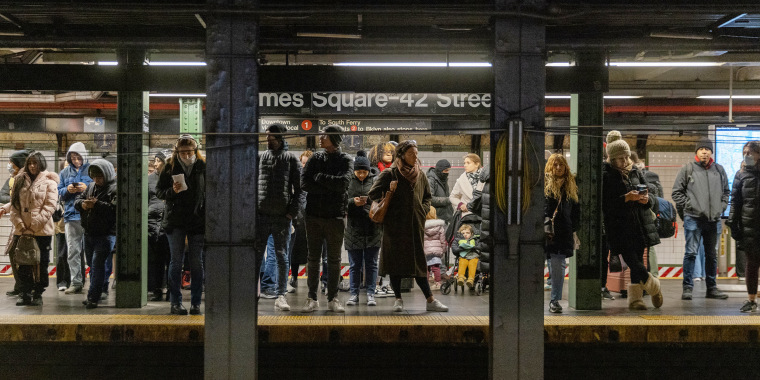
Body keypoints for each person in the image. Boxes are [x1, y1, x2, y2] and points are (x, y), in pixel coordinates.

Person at [368, 140, 448, 312]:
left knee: (418, 264)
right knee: (395, 264)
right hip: (394, 227)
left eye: (416, 153)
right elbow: (372, 194)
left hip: (414, 226)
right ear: (402, 155)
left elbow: (427, 197)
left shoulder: (421, 175)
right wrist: (389, 191)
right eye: (412, 153)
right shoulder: (390, 173)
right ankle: (398, 299)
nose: (415, 156)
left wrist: (422, 210)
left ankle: (430, 300)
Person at [602, 131, 663, 310]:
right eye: (620, 158)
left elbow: (650, 195)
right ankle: (654, 287)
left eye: (626, 157)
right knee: (633, 262)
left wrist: (646, 200)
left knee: (639, 261)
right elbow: (606, 204)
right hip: (619, 227)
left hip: (639, 223)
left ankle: (636, 300)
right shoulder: (607, 175)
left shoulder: (636, 171)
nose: (625, 161)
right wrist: (626, 198)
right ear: (612, 159)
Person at [300, 126, 352, 313]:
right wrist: (330, 187)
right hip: (313, 215)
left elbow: (344, 184)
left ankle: (333, 298)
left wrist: (320, 178)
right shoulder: (315, 158)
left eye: (324, 135)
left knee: (334, 259)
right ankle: (311, 297)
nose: (320, 138)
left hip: (335, 216)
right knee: (313, 259)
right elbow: (304, 182)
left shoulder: (346, 159)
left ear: (334, 138)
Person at [672, 137, 730, 301]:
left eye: (707, 149)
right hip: (694, 219)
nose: (704, 151)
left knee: (712, 255)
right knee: (691, 253)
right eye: (701, 149)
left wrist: (722, 207)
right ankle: (687, 288)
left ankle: (712, 288)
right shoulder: (688, 169)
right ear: (696, 152)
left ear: (711, 152)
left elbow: (726, 192)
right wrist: (690, 206)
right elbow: (676, 193)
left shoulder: (719, 170)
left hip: (714, 220)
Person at [156, 134, 206, 315]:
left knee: (197, 263)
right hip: (175, 221)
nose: (186, 155)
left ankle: (195, 303)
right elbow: (159, 192)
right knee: (175, 263)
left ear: (195, 151)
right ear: (177, 152)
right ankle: (175, 303)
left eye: (189, 152)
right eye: (182, 152)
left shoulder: (203, 166)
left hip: (197, 220)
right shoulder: (169, 167)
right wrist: (172, 191)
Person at [0, 151, 59, 306]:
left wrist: (34, 225)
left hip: (41, 231)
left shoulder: (50, 182)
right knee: (23, 263)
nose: (33, 166)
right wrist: (21, 225)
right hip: (22, 231)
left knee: (41, 263)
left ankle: (38, 293)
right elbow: (14, 206)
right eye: (30, 163)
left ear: (41, 164)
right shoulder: (19, 180)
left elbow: (50, 206)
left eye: (36, 163)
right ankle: (24, 293)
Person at [254, 124, 302, 312]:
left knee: (282, 256)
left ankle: (280, 295)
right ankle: (254, 292)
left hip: (282, 217)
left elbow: (300, 190)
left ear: (281, 137)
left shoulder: (291, 159)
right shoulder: (259, 157)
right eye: (267, 135)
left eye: (272, 136)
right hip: (261, 215)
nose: (268, 139)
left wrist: (291, 212)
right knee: (256, 255)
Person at [74, 159, 117, 309]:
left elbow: (115, 210)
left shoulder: (115, 189)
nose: (97, 180)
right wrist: (83, 204)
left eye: (100, 177)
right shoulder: (91, 186)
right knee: (92, 266)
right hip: (89, 233)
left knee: (98, 265)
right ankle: (94, 293)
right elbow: (78, 200)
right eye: (94, 177)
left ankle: (93, 297)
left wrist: (96, 205)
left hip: (106, 235)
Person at [344, 150, 381, 306]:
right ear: (354, 170)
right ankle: (354, 294)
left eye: (364, 172)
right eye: (358, 172)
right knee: (354, 265)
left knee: (371, 263)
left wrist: (368, 202)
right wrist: (353, 202)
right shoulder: (347, 181)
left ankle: (371, 293)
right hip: (353, 229)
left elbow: (382, 200)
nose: (361, 175)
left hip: (373, 228)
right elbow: (341, 201)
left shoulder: (376, 180)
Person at [543, 153, 580, 314]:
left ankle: (554, 300)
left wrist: (572, 230)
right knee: (549, 264)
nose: (558, 168)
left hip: (562, 233)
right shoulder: (542, 185)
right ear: (550, 166)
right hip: (543, 232)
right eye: (555, 164)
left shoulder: (570, 188)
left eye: (561, 165)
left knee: (558, 266)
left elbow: (576, 212)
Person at [728, 140, 760, 312]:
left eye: (750, 152)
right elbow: (735, 201)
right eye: (744, 153)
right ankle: (751, 300)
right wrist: (733, 223)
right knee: (752, 264)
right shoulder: (740, 175)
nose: (747, 156)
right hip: (749, 225)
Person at [58, 142, 92, 295]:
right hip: (71, 215)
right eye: (73, 157)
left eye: (79, 157)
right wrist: (67, 189)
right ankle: (76, 282)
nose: (76, 160)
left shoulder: (92, 170)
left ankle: (96, 284)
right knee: (73, 251)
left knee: (91, 251)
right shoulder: (64, 173)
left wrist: (87, 188)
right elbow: (59, 192)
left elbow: (100, 187)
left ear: (84, 156)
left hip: (90, 216)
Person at [2, 149, 31, 297]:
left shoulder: (25, 179)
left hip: (26, 224)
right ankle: (20, 285)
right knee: (14, 253)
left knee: (23, 255)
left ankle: (27, 288)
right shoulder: (15, 178)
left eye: (11, 163)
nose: (9, 166)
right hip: (17, 222)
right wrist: (6, 207)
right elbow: (12, 199)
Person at [632, 152, 663, 279]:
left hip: (644, 214)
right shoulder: (650, 175)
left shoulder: (638, 175)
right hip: (651, 215)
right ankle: (652, 277)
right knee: (648, 247)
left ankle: (648, 278)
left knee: (644, 247)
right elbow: (659, 198)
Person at [147, 150, 171, 301]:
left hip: (168, 221)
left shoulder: (173, 176)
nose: (155, 164)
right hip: (152, 223)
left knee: (170, 258)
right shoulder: (149, 179)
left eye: (158, 161)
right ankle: (156, 289)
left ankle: (170, 289)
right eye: (155, 161)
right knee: (155, 259)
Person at [288, 150, 312, 292]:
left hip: (310, 216)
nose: (305, 166)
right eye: (303, 163)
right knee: (295, 250)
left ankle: (312, 279)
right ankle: (294, 276)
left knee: (313, 251)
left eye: (307, 163)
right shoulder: (295, 176)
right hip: (298, 218)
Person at [424, 207, 446, 290]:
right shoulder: (439, 226)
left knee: (426, 268)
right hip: (436, 250)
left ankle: (426, 284)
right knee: (436, 267)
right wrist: (443, 250)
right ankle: (438, 283)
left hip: (425, 250)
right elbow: (443, 240)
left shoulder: (422, 225)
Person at [453, 224, 480, 290]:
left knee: (472, 265)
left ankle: (471, 279)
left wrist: (474, 247)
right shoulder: (457, 240)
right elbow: (454, 249)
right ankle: (461, 278)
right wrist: (462, 248)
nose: (465, 234)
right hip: (463, 256)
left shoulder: (475, 239)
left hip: (473, 256)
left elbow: (480, 247)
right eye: (463, 233)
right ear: (460, 234)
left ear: (472, 233)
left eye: (467, 233)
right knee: (462, 263)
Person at [427, 159, 454, 225]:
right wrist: (449, 200)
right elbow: (430, 199)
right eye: (446, 170)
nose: (447, 173)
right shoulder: (430, 181)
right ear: (440, 170)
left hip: (447, 217)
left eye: (448, 170)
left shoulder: (443, 179)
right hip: (436, 218)